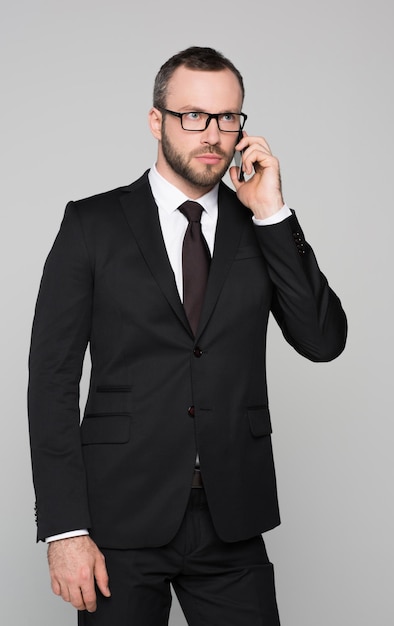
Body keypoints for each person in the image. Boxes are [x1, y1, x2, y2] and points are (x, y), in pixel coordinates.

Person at [28, 46, 347, 626]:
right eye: (193, 116)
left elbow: (323, 340)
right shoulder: (91, 224)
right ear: (157, 121)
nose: (213, 135)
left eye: (229, 118)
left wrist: (274, 216)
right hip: (118, 518)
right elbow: (50, 381)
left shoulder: (260, 228)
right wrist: (64, 530)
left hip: (232, 516)